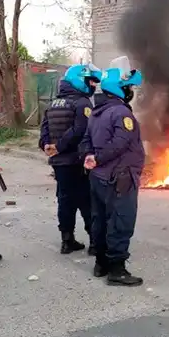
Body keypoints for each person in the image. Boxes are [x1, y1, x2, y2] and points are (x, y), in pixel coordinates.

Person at [79, 65, 144, 286]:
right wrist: (98, 158)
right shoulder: (121, 112)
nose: (130, 91)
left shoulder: (97, 112)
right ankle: (117, 270)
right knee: (120, 221)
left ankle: (101, 264)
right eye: (127, 87)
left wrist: (90, 156)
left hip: (98, 177)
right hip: (120, 178)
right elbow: (121, 143)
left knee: (100, 220)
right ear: (118, 89)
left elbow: (86, 140)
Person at [39, 64, 101, 255]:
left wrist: (47, 146)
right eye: (89, 81)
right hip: (76, 161)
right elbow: (80, 131)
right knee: (87, 201)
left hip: (58, 163)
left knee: (65, 200)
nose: (92, 85)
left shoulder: (52, 104)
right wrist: (59, 147)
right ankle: (94, 243)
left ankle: (67, 241)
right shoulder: (82, 103)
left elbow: (44, 131)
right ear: (78, 80)